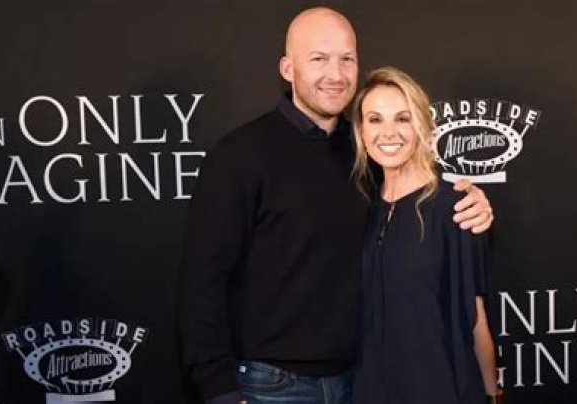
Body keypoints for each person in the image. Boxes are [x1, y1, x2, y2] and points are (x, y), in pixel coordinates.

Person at [178, 7, 494, 404]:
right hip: (272, 387)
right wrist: (218, 388)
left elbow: (416, 195)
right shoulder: (240, 156)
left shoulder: (366, 154)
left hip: (359, 383)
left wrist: (472, 199)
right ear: (287, 68)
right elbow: (202, 281)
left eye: (347, 59)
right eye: (318, 59)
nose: (336, 74)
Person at [351, 66, 503, 404]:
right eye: (375, 120)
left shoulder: (457, 207)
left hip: (438, 390)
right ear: (361, 131)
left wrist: (492, 394)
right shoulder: (365, 208)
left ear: (421, 124)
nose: (388, 132)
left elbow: (475, 319)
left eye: (402, 118)